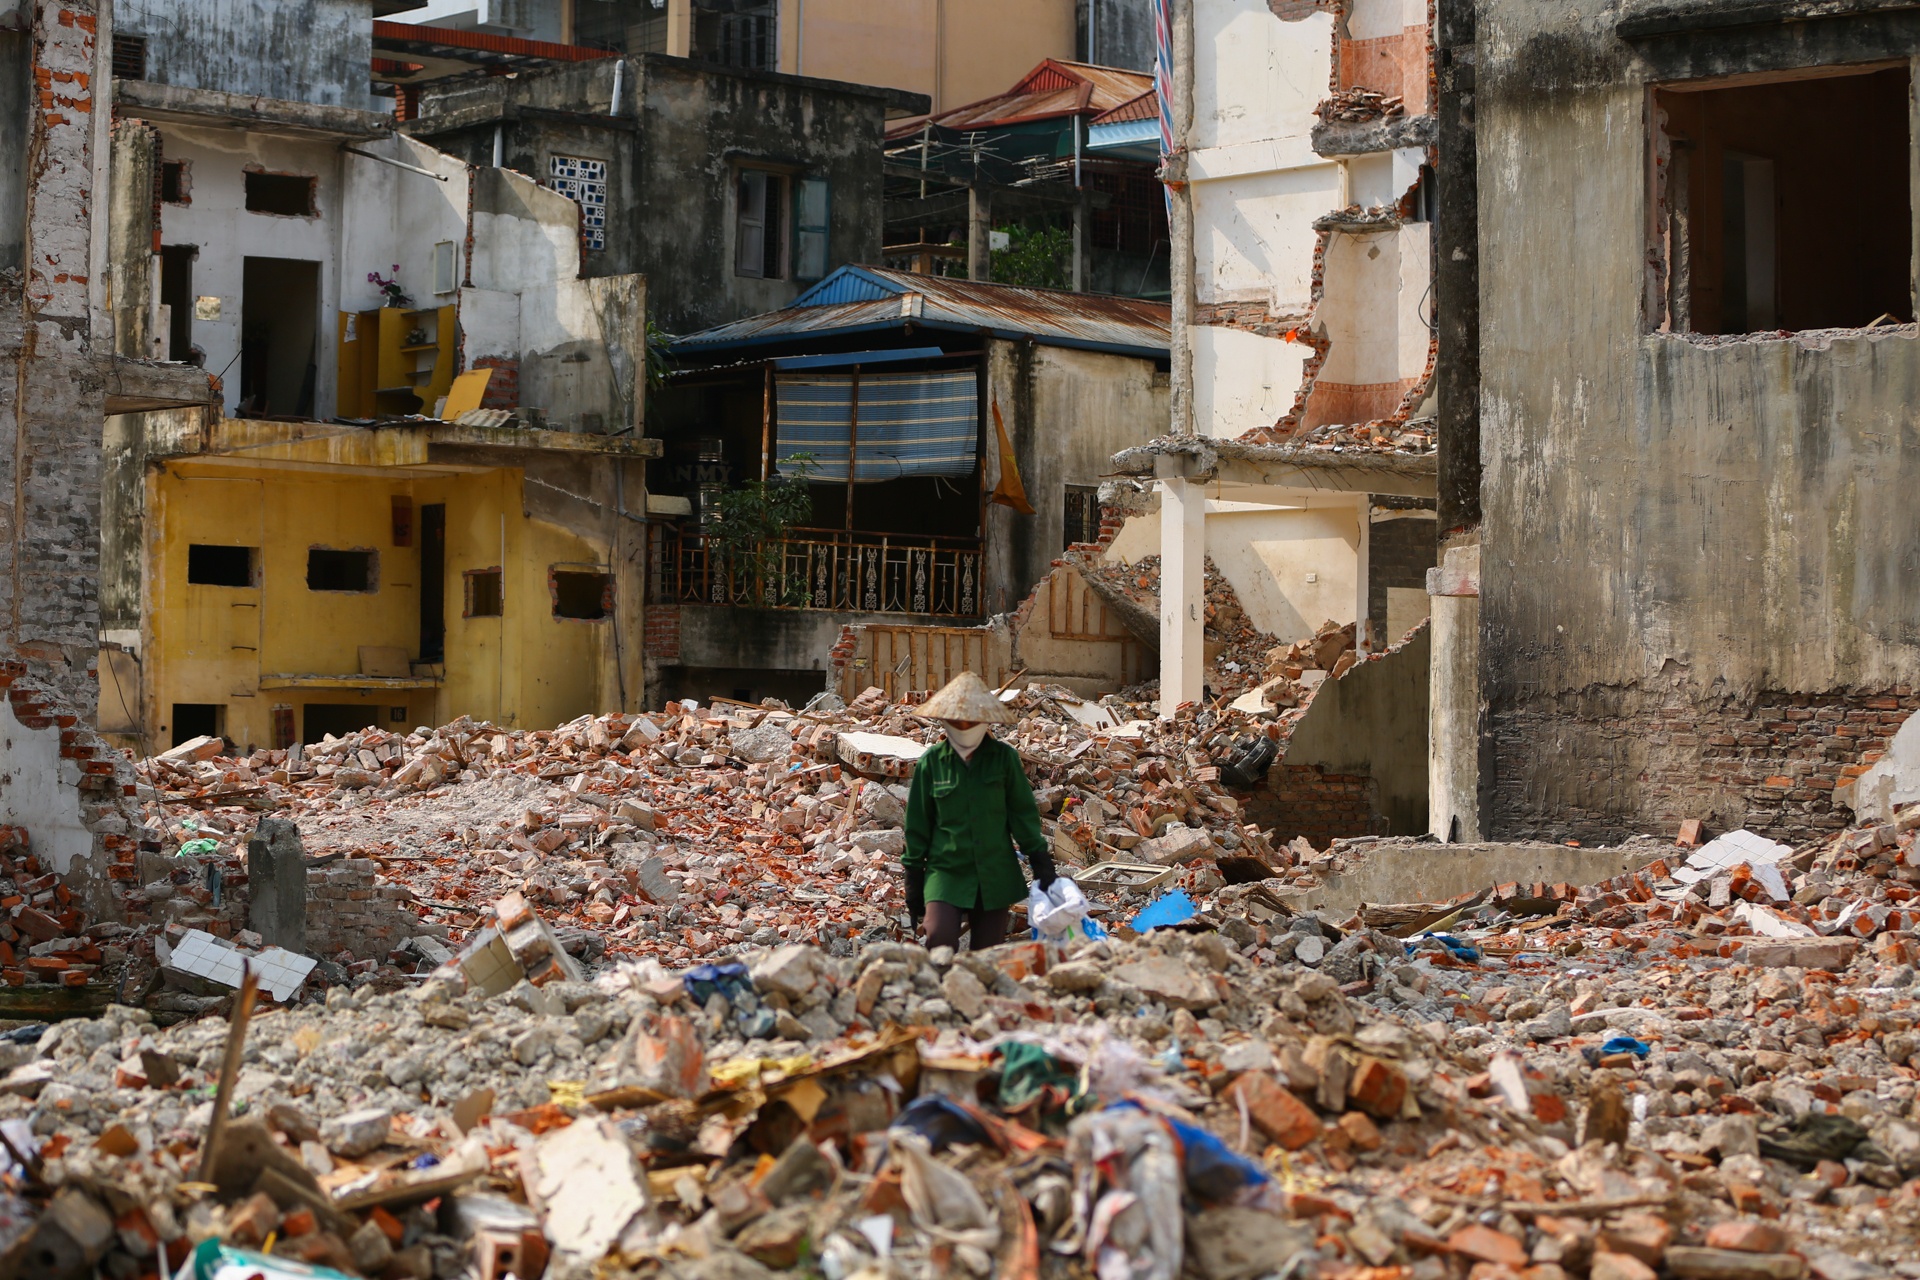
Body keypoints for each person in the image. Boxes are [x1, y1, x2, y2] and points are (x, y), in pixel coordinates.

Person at [902, 672, 1056, 951]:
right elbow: (918, 824)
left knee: (988, 952)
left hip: (993, 872)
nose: (964, 726)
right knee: (939, 937)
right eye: (956, 721)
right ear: (945, 721)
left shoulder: (1003, 759)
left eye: (971, 721)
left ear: (985, 721)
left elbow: (1021, 813)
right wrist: (913, 876)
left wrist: (1039, 859)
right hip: (945, 870)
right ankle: (939, 991)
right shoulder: (932, 764)